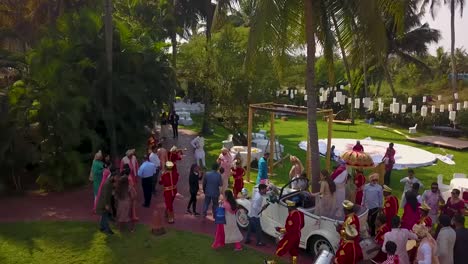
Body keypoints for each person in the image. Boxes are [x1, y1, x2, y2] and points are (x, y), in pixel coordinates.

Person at [271, 200, 305, 264]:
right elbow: (301, 225)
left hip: (291, 236)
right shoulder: (301, 214)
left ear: (291, 208)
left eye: (288, 207)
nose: (287, 209)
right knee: (294, 252)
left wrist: (279, 229)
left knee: (281, 248)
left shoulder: (291, 216)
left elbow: (289, 229)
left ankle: (273, 262)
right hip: (298, 235)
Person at [96, 171, 117, 235]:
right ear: (112, 177)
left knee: (104, 216)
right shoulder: (107, 184)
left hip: (105, 203)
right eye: (116, 177)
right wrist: (106, 205)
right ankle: (107, 229)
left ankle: (102, 227)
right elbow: (105, 195)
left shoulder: (110, 183)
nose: (116, 178)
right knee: (105, 216)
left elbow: (110, 192)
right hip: (104, 203)